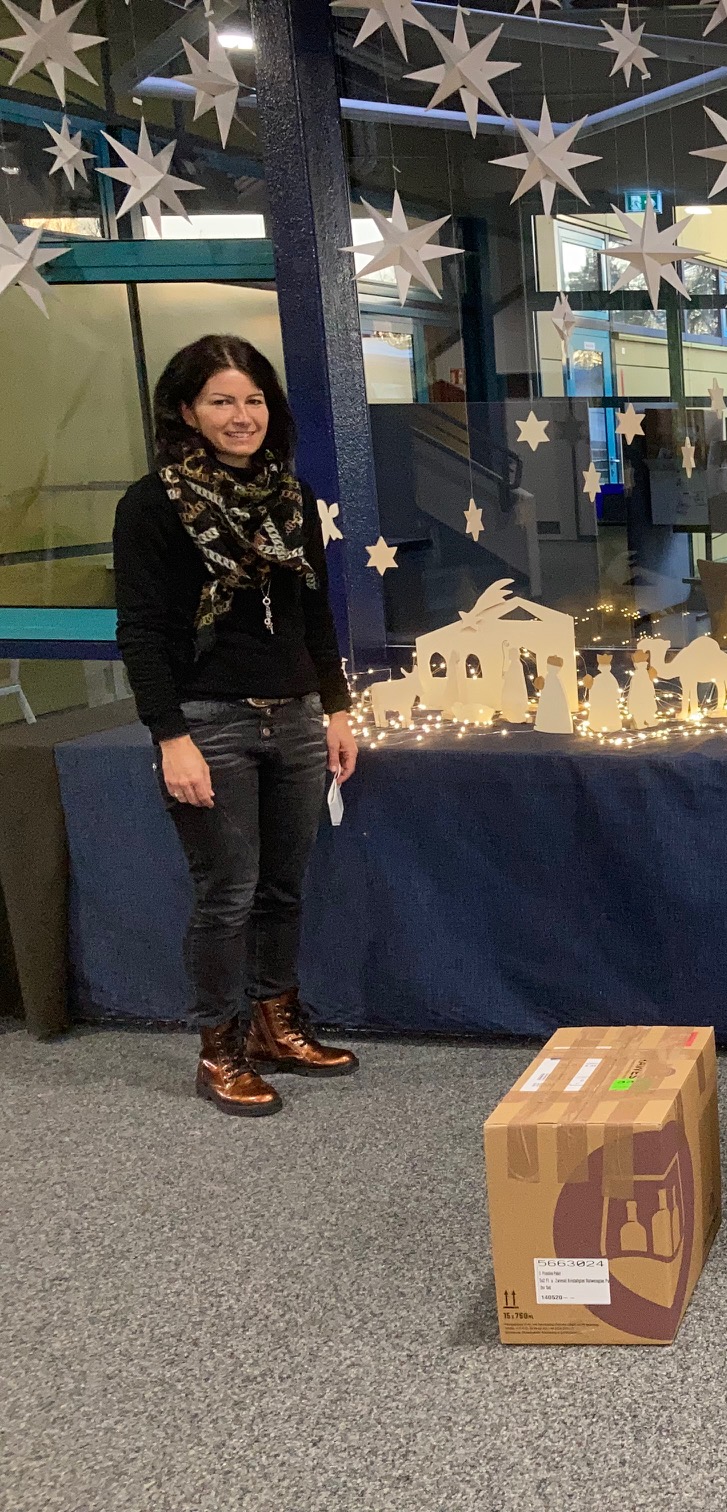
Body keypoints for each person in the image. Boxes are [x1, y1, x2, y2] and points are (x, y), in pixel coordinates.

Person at [114, 335, 360, 1117]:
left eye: (253, 399)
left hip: (292, 714)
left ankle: (273, 1026)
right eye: (221, 400)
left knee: (284, 886)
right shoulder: (153, 505)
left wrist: (336, 707)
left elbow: (314, 614)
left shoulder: (290, 498)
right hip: (208, 721)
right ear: (186, 411)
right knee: (228, 891)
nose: (241, 415)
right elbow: (143, 632)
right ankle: (217, 1051)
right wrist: (169, 737)